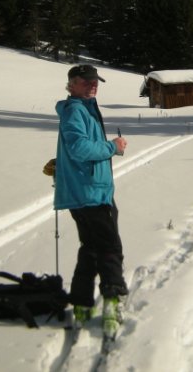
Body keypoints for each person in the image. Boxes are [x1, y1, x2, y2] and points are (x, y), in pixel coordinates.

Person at [53, 64, 128, 337]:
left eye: (95, 81)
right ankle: (111, 303)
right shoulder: (75, 110)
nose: (92, 85)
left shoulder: (86, 108)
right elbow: (79, 147)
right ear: (71, 84)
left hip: (90, 191)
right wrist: (112, 147)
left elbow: (72, 149)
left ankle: (82, 303)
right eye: (85, 81)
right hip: (90, 193)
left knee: (91, 248)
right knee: (109, 249)